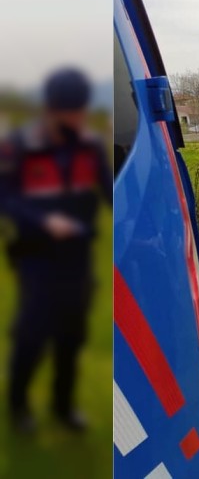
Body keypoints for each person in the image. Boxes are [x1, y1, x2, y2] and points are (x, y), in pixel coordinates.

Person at [0, 68, 112, 434]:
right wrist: (44, 222)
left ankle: (63, 408)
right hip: (36, 257)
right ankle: (18, 408)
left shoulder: (90, 146)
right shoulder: (19, 145)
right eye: (71, 111)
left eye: (81, 110)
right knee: (33, 335)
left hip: (77, 258)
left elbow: (110, 193)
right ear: (51, 108)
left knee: (71, 336)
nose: (78, 118)